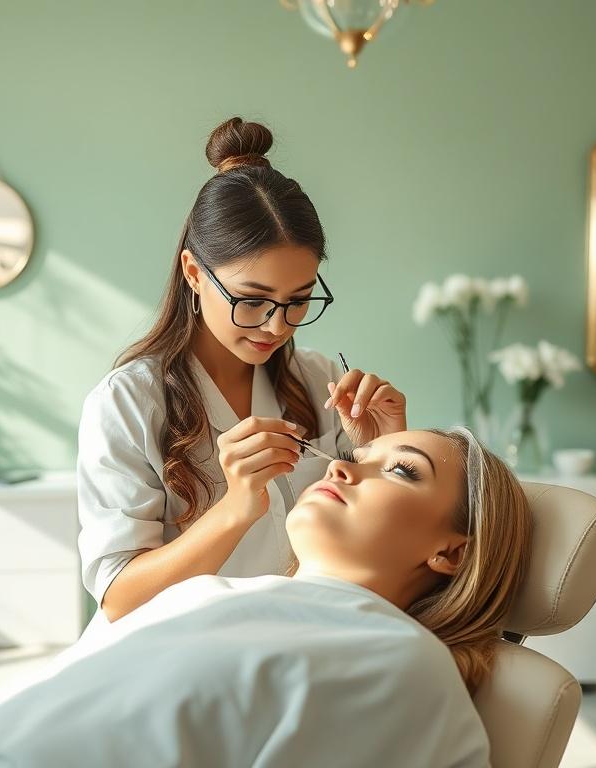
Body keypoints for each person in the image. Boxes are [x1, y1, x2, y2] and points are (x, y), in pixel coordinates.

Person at [0, 428, 533, 768]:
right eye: (355, 454)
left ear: (452, 553)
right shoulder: (215, 593)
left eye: (401, 469)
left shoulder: (400, 664)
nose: (340, 468)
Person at [78, 116, 407, 625]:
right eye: (252, 301)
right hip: (165, 654)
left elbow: (385, 552)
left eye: (298, 301)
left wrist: (383, 449)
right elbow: (120, 599)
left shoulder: (318, 380)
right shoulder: (128, 403)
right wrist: (235, 508)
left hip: (291, 642)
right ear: (193, 272)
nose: (277, 326)